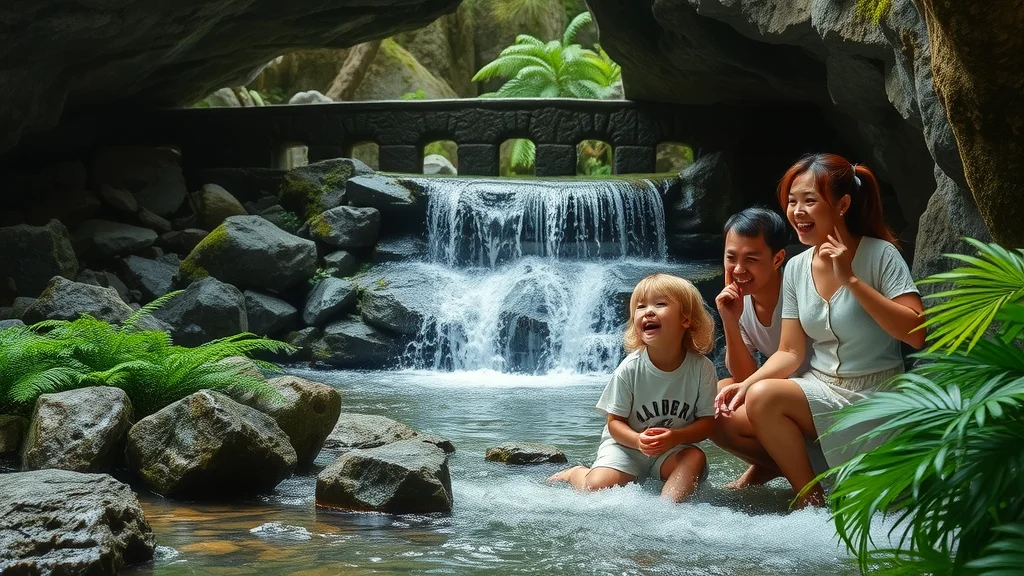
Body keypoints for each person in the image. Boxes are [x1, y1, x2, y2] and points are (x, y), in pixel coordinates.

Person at [715, 153, 925, 508]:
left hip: (877, 391)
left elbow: (916, 333)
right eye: (792, 201)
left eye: (809, 200)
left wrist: (852, 280)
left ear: (842, 204)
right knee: (750, 396)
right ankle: (808, 501)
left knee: (762, 394)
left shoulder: (881, 254)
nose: (797, 211)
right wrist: (745, 385)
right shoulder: (797, 267)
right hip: (820, 388)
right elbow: (790, 352)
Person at [547, 273, 717, 502]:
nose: (648, 311)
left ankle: (667, 508)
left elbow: (707, 424)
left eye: (660, 304)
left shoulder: (702, 369)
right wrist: (637, 441)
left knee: (694, 457)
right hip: (626, 447)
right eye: (640, 306)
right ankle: (575, 473)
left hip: (672, 449)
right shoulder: (630, 369)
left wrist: (676, 437)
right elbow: (614, 422)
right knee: (595, 489)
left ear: (685, 319)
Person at [710, 207, 814, 489]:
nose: (739, 270)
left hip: (813, 395)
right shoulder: (741, 300)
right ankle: (776, 467)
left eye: (751, 259)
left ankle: (802, 482)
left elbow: (791, 356)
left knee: (744, 395)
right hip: (777, 397)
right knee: (716, 399)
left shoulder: (798, 290)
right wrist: (730, 321)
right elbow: (743, 375)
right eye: (731, 258)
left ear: (778, 258)